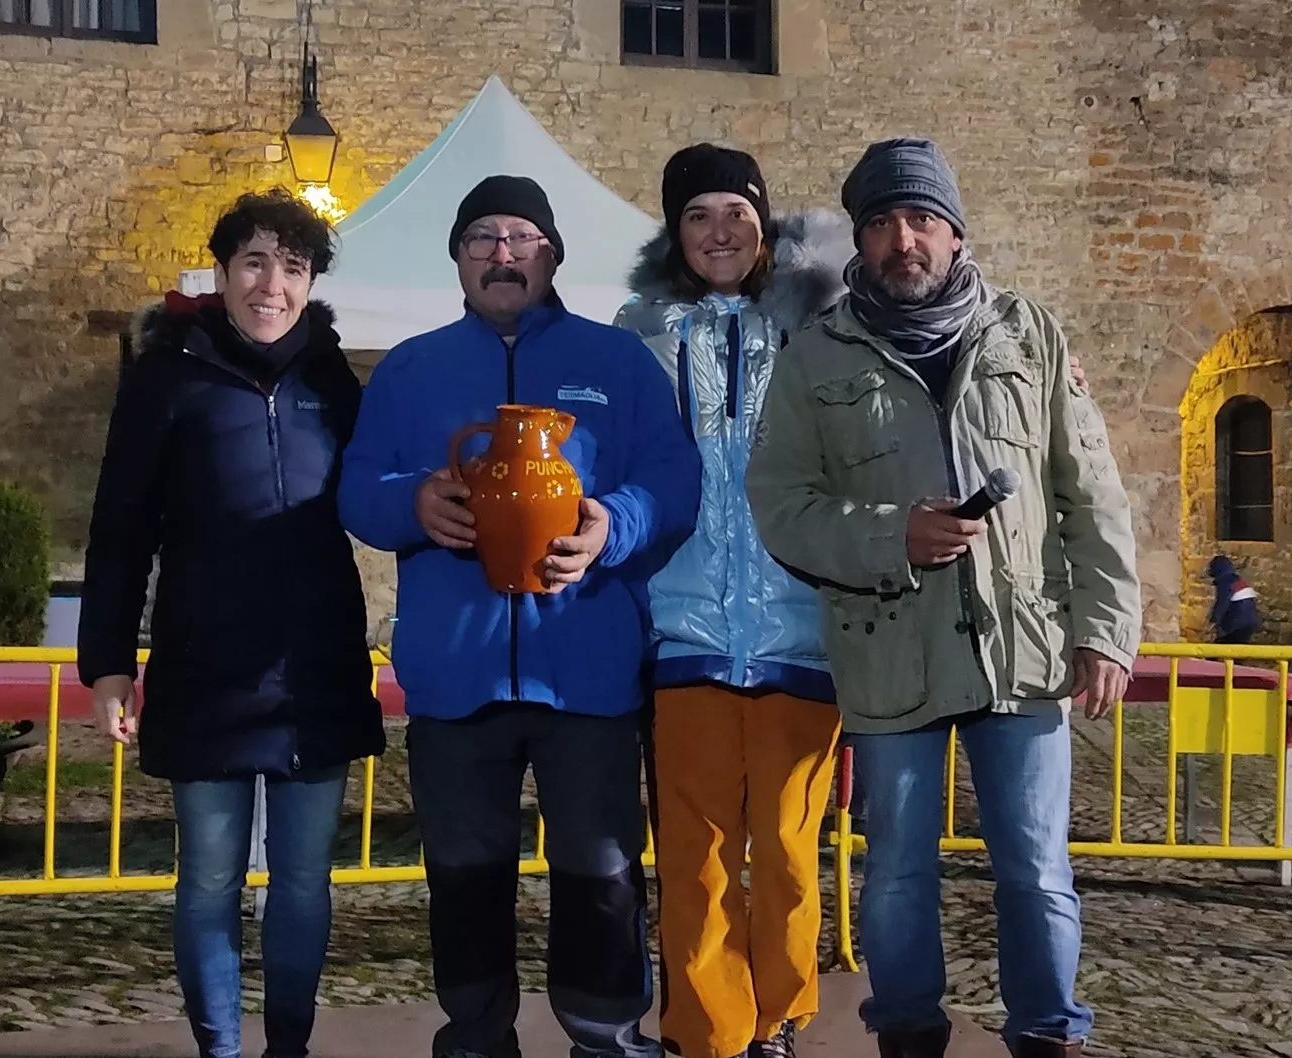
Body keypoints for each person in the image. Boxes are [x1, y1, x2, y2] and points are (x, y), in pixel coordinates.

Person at [744, 137, 1141, 1058]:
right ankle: (908, 1037)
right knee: (896, 880)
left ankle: (1048, 1035)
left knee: (1038, 874)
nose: (902, 240)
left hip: (1024, 650)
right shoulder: (817, 355)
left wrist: (1109, 629)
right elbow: (783, 508)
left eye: (921, 219)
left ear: (956, 233)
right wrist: (894, 536)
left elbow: (1093, 492)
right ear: (860, 243)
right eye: (881, 223)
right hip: (891, 650)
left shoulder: (1030, 334)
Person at [338, 174, 701, 1058]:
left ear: (553, 255)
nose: (503, 254)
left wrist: (617, 526)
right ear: (459, 259)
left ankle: (606, 1036)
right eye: (482, 239)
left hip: (586, 670)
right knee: (463, 878)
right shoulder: (412, 368)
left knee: (602, 874)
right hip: (454, 676)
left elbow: (673, 480)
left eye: (521, 238)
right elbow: (356, 486)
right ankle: (475, 1036)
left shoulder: (615, 364)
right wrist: (411, 504)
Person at [78, 188, 384, 1058]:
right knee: (209, 877)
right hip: (205, 667)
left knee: (302, 882)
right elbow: (120, 526)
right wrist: (107, 663)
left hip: (314, 666)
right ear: (222, 272)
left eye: (291, 266)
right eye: (254, 262)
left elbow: (377, 498)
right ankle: (219, 1049)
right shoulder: (167, 379)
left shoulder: (335, 382)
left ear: (311, 279)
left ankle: (289, 1047)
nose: (271, 285)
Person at [613, 143, 853, 1058]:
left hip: (800, 631)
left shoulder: (823, 331)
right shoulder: (638, 338)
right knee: (695, 854)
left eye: (737, 214)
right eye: (699, 215)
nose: (720, 232)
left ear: (765, 225)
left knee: (791, 855)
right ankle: (708, 1029)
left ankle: (780, 1019)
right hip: (684, 632)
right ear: (676, 232)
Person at [1205, 555, 1261, 644]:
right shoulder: (1237, 580)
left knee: (1219, 649)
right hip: (1250, 622)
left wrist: (1213, 621)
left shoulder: (1225, 581)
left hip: (1237, 623)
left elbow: (1222, 603)